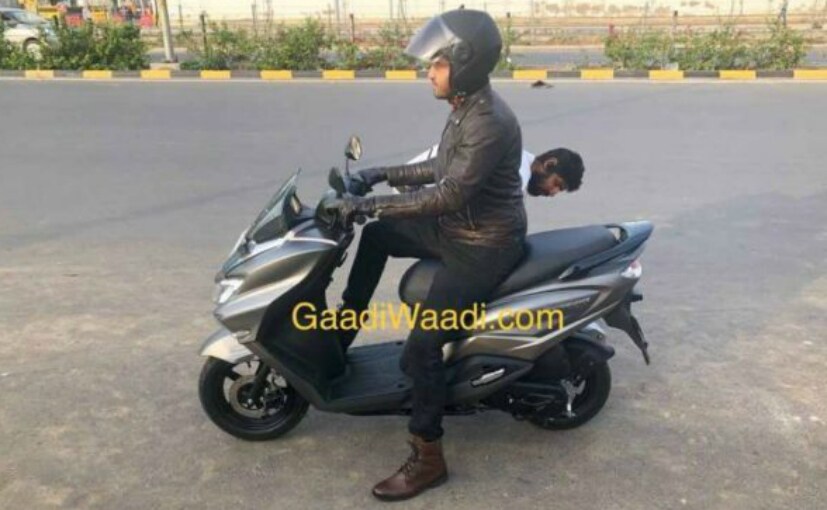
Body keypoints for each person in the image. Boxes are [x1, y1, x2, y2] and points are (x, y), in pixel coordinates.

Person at [324, 8, 527, 502]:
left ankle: (428, 457)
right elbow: (440, 167)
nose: (429, 73)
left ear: (464, 62)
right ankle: (341, 336)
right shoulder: (466, 106)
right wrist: (376, 174)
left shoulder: (489, 121)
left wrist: (367, 205)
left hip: (481, 245)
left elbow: (449, 193)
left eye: (437, 64)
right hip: (457, 227)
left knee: (421, 347)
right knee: (377, 238)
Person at [406, 144, 585, 198]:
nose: (553, 193)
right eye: (557, 184)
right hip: (414, 192)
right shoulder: (518, 173)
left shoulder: (518, 154)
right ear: (549, 164)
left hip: (414, 183)